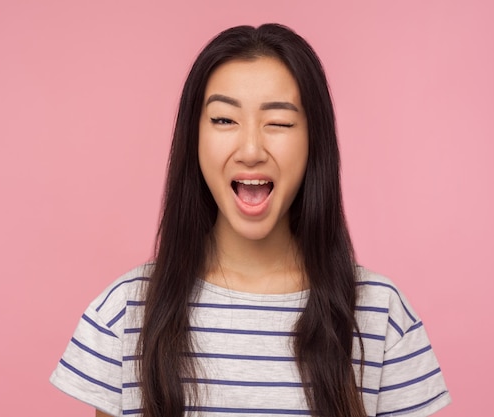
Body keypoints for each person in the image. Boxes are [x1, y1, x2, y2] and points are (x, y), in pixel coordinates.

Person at [50, 23, 451, 417]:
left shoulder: (381, 316)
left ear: (315, 142)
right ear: (195, 138)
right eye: (224, 120)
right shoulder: (125, 313)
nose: (251, 148)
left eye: (279, 122)